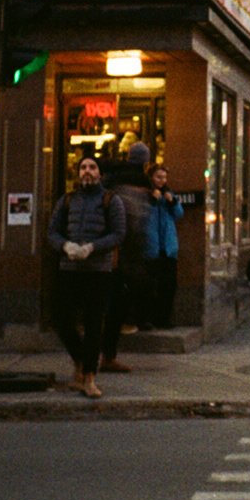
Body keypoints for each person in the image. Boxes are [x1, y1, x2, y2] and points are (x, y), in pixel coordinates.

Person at [46, 155, 128, 397]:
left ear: (100, 174)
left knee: (93, 323)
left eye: (92, 167)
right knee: (61, 320)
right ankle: (81, 362)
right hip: (69, 269)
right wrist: (65, 246)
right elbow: (52, 232)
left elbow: (119, 234)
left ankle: (89, 377)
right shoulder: (67, 200)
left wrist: (92, 247)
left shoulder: (111, 200)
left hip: (98, 271)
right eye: (83, 167)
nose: (87, 171)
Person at [99, 141, 153, 373]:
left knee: (108, 303)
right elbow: (134, 222)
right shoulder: (139, 182)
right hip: (123, 254)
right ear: (145, 162)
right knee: (116, 305)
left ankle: (100, 356)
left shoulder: (112, 178)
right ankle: (105, 357)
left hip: (107, 249)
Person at [140, 162, 184, 328]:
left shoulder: (168, 194)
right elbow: (141, 215)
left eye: (164, 177)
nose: (162, 180)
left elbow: (179, 214)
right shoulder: (145, 194)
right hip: (151, 248)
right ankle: (148, 318)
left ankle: (164, 319)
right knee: (150, 286)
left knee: (168, 285)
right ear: (151, 177)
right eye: (158, 177)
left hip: (168, 248)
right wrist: (152, 200)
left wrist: (172, 201)